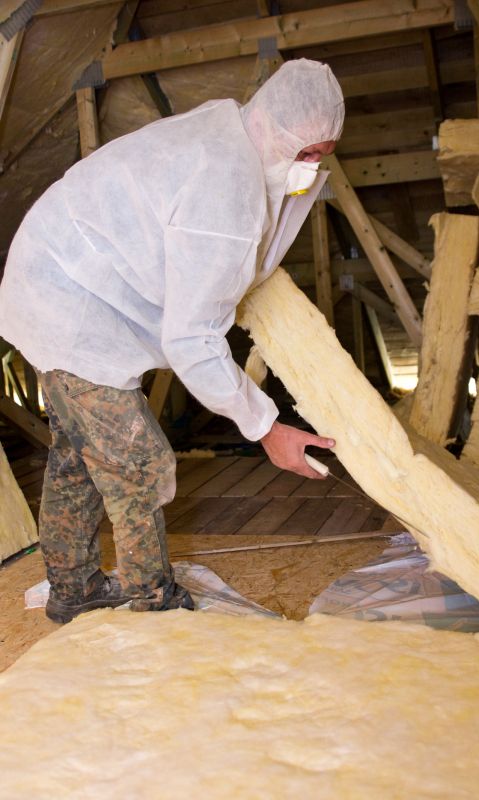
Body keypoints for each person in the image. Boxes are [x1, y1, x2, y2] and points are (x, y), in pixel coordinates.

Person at [0, 59, 345, 623]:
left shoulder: (232, 128)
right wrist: (265, 427)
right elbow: (191, 338)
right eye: (309, 154)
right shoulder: (226, 189)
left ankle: (73, 589)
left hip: (50, 281)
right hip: (70, 305)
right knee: (138, 461)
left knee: (79, 457)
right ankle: (154, 602)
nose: (311, 169)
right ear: (282, 131)